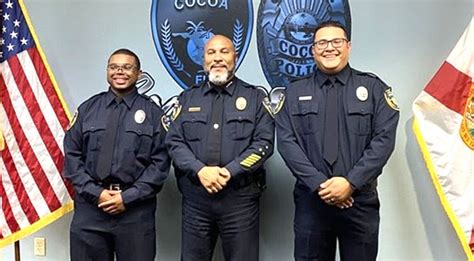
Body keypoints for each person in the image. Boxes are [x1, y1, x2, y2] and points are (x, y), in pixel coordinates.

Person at [276, 21, 400, 260]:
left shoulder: (373, 89)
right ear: (313, 50)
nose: (329, 48)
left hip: (359, 201)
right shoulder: (292, 93)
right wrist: (321, 186)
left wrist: (350, 183)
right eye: (322, 43)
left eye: (336, 42)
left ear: (348, 47)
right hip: (312, 202)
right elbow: (287, 143)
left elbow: (383, 141)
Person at [165, 35, 274, 261]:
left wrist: (230, 171)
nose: (217, 58)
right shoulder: (187, 98)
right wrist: (200, 170)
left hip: (240, 200)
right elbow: (174, 142)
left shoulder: (255, 98)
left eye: (224, 52)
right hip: (196, 200)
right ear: (203, 60)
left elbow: (264, 144)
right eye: (211, 53)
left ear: (235, 56)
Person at [63, 48, 170, 261]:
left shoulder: (153, 113)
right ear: (107, 71)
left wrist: (127, 198)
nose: (119, 72)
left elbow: (160, 163)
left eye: (127, 67)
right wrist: (97, 193)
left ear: (139, 74)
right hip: (90, 211)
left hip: (135, 212)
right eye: (114, 67)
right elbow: (72, 156)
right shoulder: (88, 109)